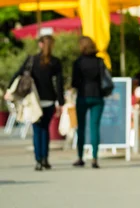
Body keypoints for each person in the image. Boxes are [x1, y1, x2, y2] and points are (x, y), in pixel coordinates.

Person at [8, 35, 64, 171]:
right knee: (45, 129)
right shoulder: (55, 62)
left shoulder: (32, 60)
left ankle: (38, 160)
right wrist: (60, 101)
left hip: (34, 100)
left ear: (40, 44)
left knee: (37, 130)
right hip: (49, 99)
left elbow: (18, 74)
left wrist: (10, 89)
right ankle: (45, 158)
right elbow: (59, 84)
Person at [71, 36, 105, 169]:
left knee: (81, 128)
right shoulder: (99, 61)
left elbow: (74, 82)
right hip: (98, 96)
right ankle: (95, 158)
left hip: (83, 97)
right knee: (94, 128)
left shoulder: (78, 63)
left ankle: (80, 157)